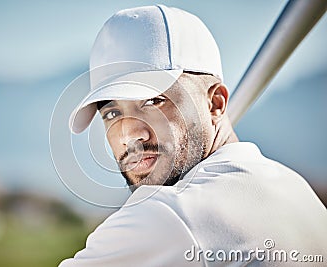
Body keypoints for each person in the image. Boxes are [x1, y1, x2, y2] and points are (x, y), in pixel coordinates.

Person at [60, 5, 327, 266]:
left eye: (153, 101)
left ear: (216, 103)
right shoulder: (299, 191)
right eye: (111, 113)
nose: (129, 135)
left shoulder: (164, 216)